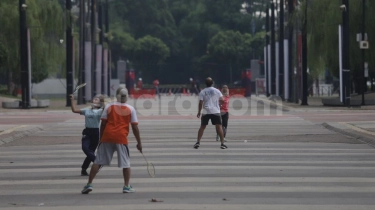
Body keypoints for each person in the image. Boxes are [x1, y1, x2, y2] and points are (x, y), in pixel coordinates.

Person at [81, 87, 142, 194]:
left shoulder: (109, 106)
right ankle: (126, 186)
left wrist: (101, 138)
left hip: (107, 137)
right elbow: (135, 127)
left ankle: (89, 184)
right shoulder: (130, 109)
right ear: (127, 97)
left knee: (97, 161)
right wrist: (139, 143)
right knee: (126, 163)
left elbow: (103, 123)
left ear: (117, 95)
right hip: (121, 138)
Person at [70, 94, 104, 176]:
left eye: (97, 99)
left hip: (95, 132)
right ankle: (97, 162)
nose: (94, 100)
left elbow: (106, 109)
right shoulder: (87, 110)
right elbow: (74, 110)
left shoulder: (100, 111)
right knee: (85, 148)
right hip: (87, 132)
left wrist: (103, 103)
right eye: (94, 99)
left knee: (90, 152)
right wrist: (72, 100)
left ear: (100, 102)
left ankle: (83, 169)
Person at [194, 77, 228, 149]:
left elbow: (200, 102)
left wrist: (199, 112)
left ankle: (198, 142)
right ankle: (222, 143)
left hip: (206, 111)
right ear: (212, 83)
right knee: (219, 127)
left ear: (205, 84)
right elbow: (222, 100)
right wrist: (219, 105)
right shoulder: (217, 91)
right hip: (215, 111)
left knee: (202, 127)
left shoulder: (203, 91)